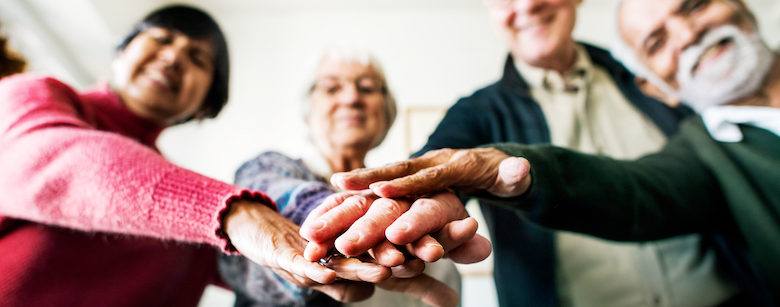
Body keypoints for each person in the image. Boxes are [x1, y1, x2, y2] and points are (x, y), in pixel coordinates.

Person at [307, 0, 779, 305]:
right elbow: (437, 164)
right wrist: (405, 203)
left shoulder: (655, 77)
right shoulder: (479, 111)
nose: (528, 5)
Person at [0, 5, 427, 306]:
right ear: (120, 50)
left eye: (197, 58)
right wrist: (238, 215)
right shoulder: (35, 96)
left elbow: (246, 267)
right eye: (161, 38)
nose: (171, 58)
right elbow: (61, 163)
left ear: (207, 101)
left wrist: (326, 264)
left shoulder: (175, 199)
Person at [219, 49, 482, 307]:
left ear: (386, 111)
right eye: (332, 88)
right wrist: (340, 219)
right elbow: (265, 201)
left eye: (367, 88)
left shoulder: (414, 204)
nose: (352, 98)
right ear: (309, 109)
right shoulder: (269, 167)